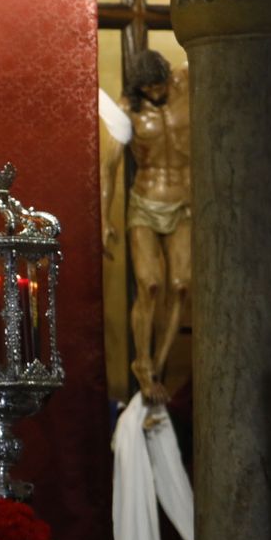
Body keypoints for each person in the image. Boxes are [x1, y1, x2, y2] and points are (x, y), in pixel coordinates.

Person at [102, 49, 191, 404]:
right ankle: (142, 360)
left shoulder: (186, 81)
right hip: (145, 203)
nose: (157, 92)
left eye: (160, 85)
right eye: (149, 89)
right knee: (150, 284)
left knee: (180, 286)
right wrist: (103, 218)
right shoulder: (127, 110)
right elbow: (109, 168)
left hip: (184, 202)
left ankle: (157, 364)